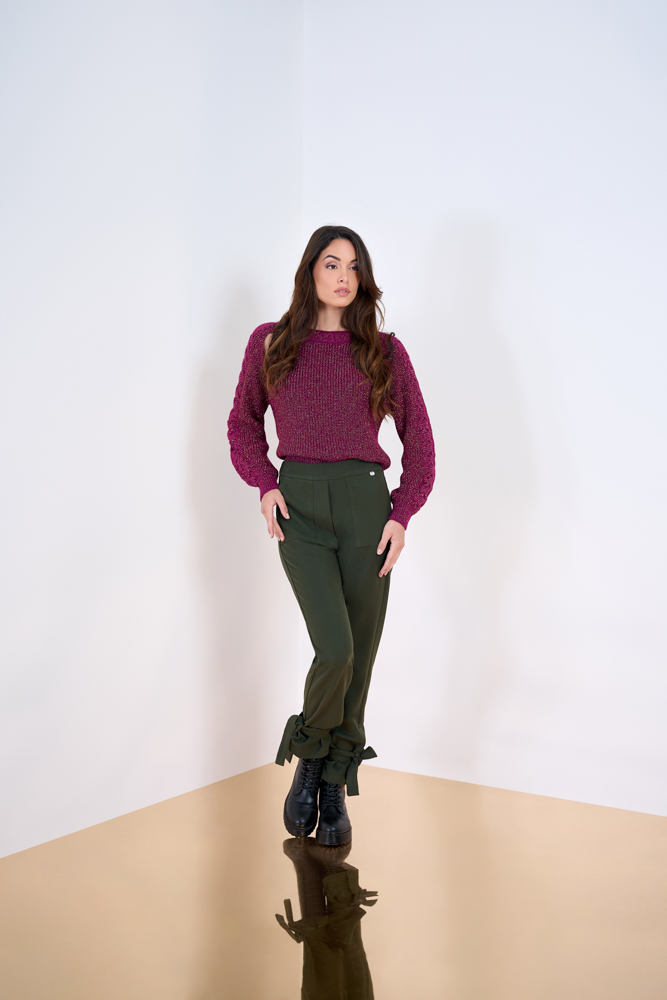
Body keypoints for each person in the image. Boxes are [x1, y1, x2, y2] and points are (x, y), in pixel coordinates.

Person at [227, 225, 435, 845]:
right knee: (336, 648)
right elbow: (243, 423)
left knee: (359, 657)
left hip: (368, 507)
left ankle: (334, 783)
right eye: (331, 264)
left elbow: (420, 440)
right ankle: (312, 755)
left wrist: (402, 513)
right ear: (310, 272)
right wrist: (265, 484)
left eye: (353, 266)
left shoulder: (383, 351)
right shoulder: (270, 343)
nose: (344, 277)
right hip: (300, 508)